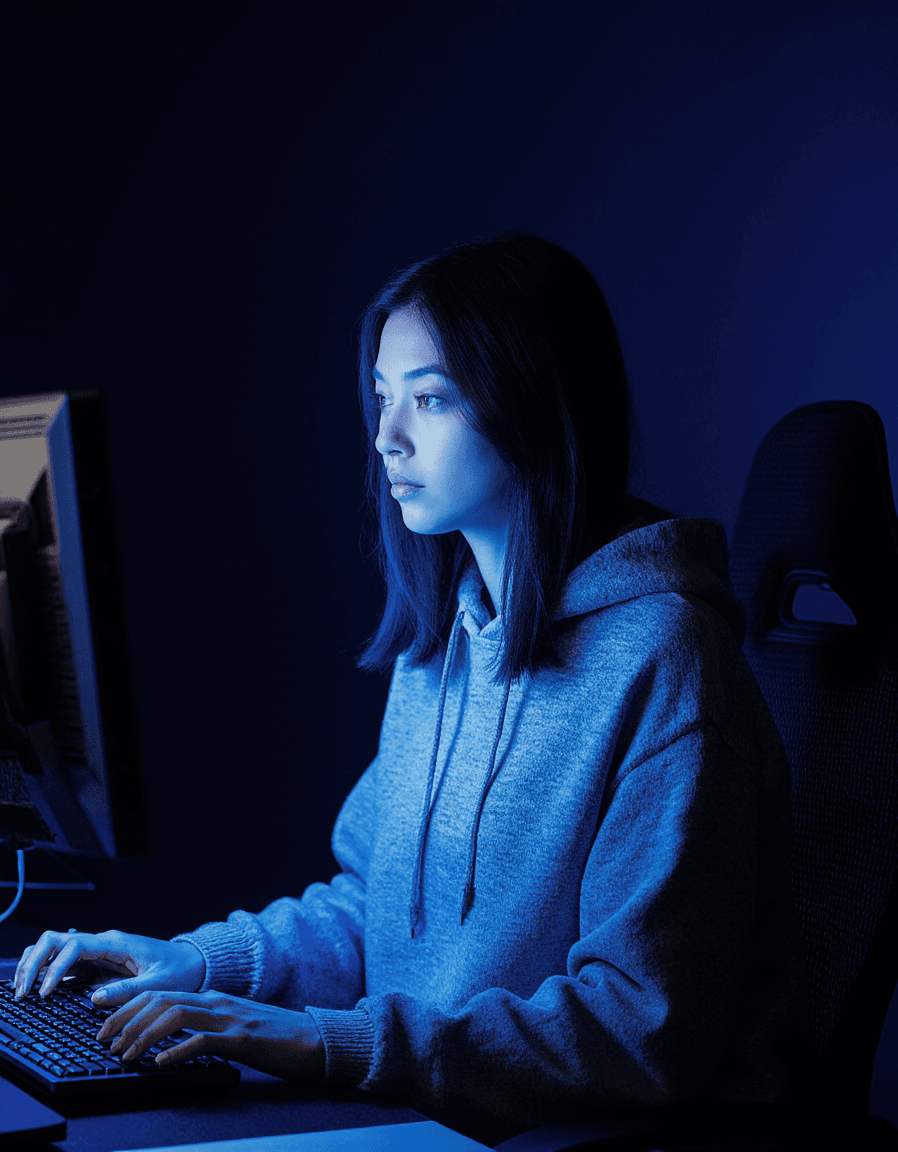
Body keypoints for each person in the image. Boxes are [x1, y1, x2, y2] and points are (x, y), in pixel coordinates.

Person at [14, 234, 809, 1145]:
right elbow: (373, 908)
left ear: (537, 404)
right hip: (414, 1111)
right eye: (384, 399)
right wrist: (199, 963)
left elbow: (641, 1028)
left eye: (429, 399)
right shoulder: (444, 642)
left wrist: (326, 1043)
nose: (387, 438)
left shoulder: (665, 659)